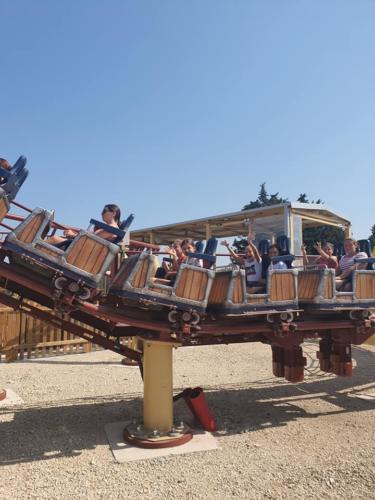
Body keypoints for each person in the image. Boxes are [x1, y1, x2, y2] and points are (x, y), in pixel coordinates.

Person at [46, 203, 122, 247]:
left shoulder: (112, 229)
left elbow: (90, 239)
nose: (102, 213)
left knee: (54, 239)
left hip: (82, 250)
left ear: (114, 213)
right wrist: (73, 234)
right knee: (55, 239)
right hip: (83, 247)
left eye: (104, 210)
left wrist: (72, 235)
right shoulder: (109, 228)